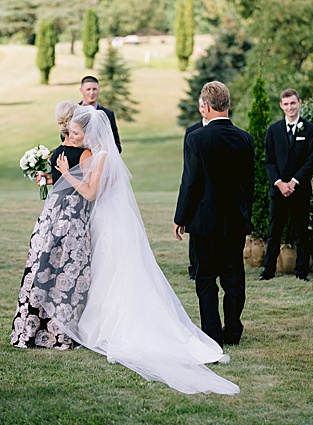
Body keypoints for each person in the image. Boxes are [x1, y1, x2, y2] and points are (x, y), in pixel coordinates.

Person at [34, 106, 239, 394]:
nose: (73, 137)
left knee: (113, 272)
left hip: (109, 224)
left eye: (77, 133)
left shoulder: (103, 156)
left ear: (89, 133)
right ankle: (101, 322)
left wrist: (66, 174)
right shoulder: (100, 155)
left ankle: (113, 328)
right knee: (106, 272)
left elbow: (92, 192)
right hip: (105, 219)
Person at [174, 82, 255, 346]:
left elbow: (190, 181)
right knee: (234, 278)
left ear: (206, 107)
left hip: (204, 221)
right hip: (234, 220)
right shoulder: (245, 139)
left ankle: (211, 332)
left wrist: (180, 218)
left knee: (206, 278)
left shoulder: (196, 138)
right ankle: (233, 330)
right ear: (227, 105)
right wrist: (246, 215)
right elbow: (249, 184)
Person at [11, 102, 93, 350]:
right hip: (72, 220)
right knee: (67, 276)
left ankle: (29, 331)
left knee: (42, 272)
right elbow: (89, 190)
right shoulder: (85, 155)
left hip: (48, 220)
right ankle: (62, 334)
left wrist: (46, 178)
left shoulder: (57, 151)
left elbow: (56, 182)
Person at [260, 88, 313, 281]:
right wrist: (279, 183)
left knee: (301, 233)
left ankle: (302, 271)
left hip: (300, 190)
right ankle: (268, 271)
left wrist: (293, 182)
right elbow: (269, 160)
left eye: (293, 103)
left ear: (299, 103)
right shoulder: (273, 130)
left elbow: (311, 160)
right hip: (278, 191)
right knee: (274, 232)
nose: (290, 107)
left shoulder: (310, 130)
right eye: (286, 104)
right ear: (281, 106)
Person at [77, 75, 121, 152]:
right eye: (88, 89)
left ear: (99, 90)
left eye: (94, 89)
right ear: (81, 90)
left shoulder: (108, 114)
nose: (92, 92)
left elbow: (116, 143)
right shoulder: (75, 111)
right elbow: (65, 138)